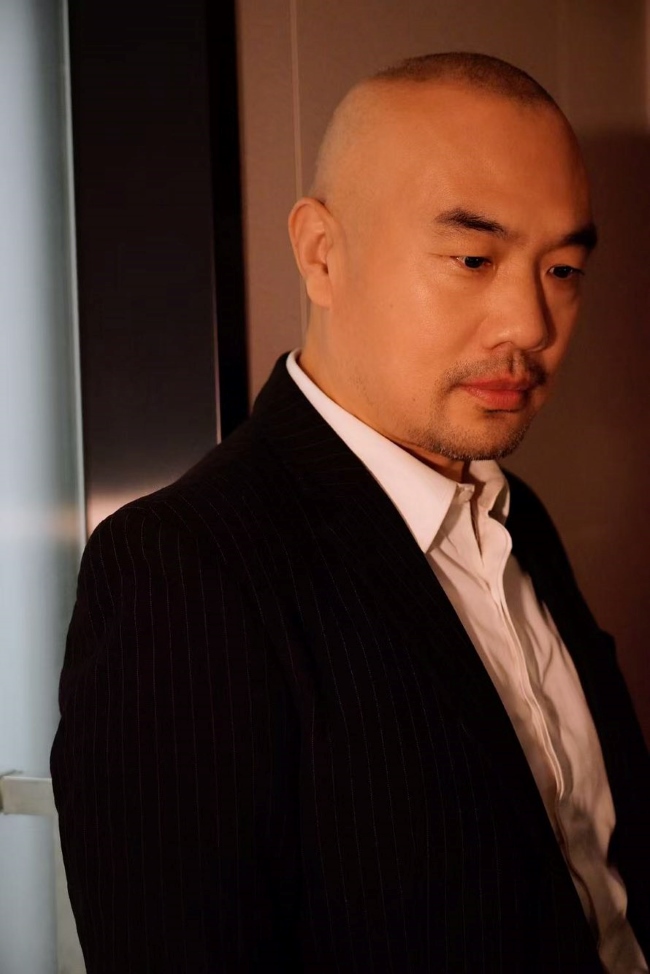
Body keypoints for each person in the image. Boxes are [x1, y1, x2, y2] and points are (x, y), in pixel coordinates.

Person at [51, 52, 650, 973]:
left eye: (564, 268)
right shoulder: (181, 567)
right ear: (322, 253)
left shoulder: (513, 514)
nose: (531, 324)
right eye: (473, 259)